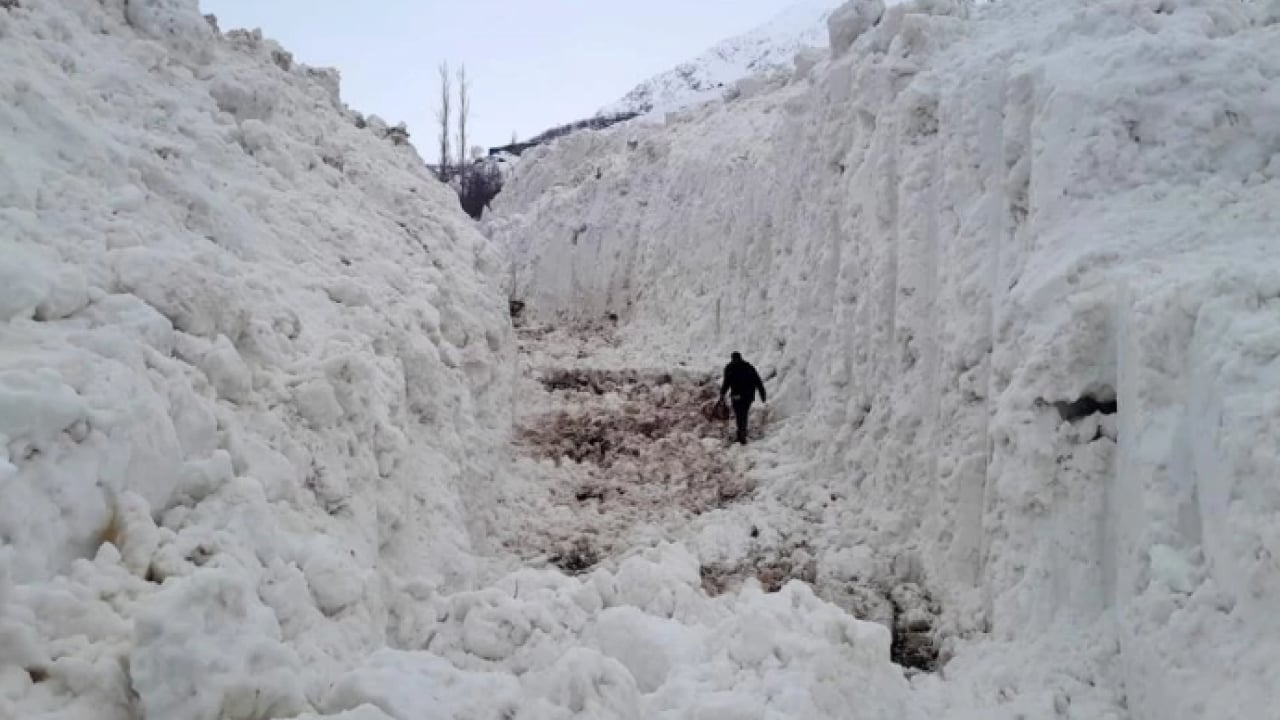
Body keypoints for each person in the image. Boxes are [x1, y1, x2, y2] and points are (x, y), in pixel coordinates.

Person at [719, 351, 766, 444]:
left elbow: (726, 383)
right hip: (748, 396)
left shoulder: (730, 367)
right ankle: (742, 431)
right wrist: (762, 394)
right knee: (743, 413)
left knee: (739, 413)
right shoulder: (749, 367)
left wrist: (722, 394)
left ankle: (741, 432)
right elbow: (758, 381)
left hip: (736, 395)